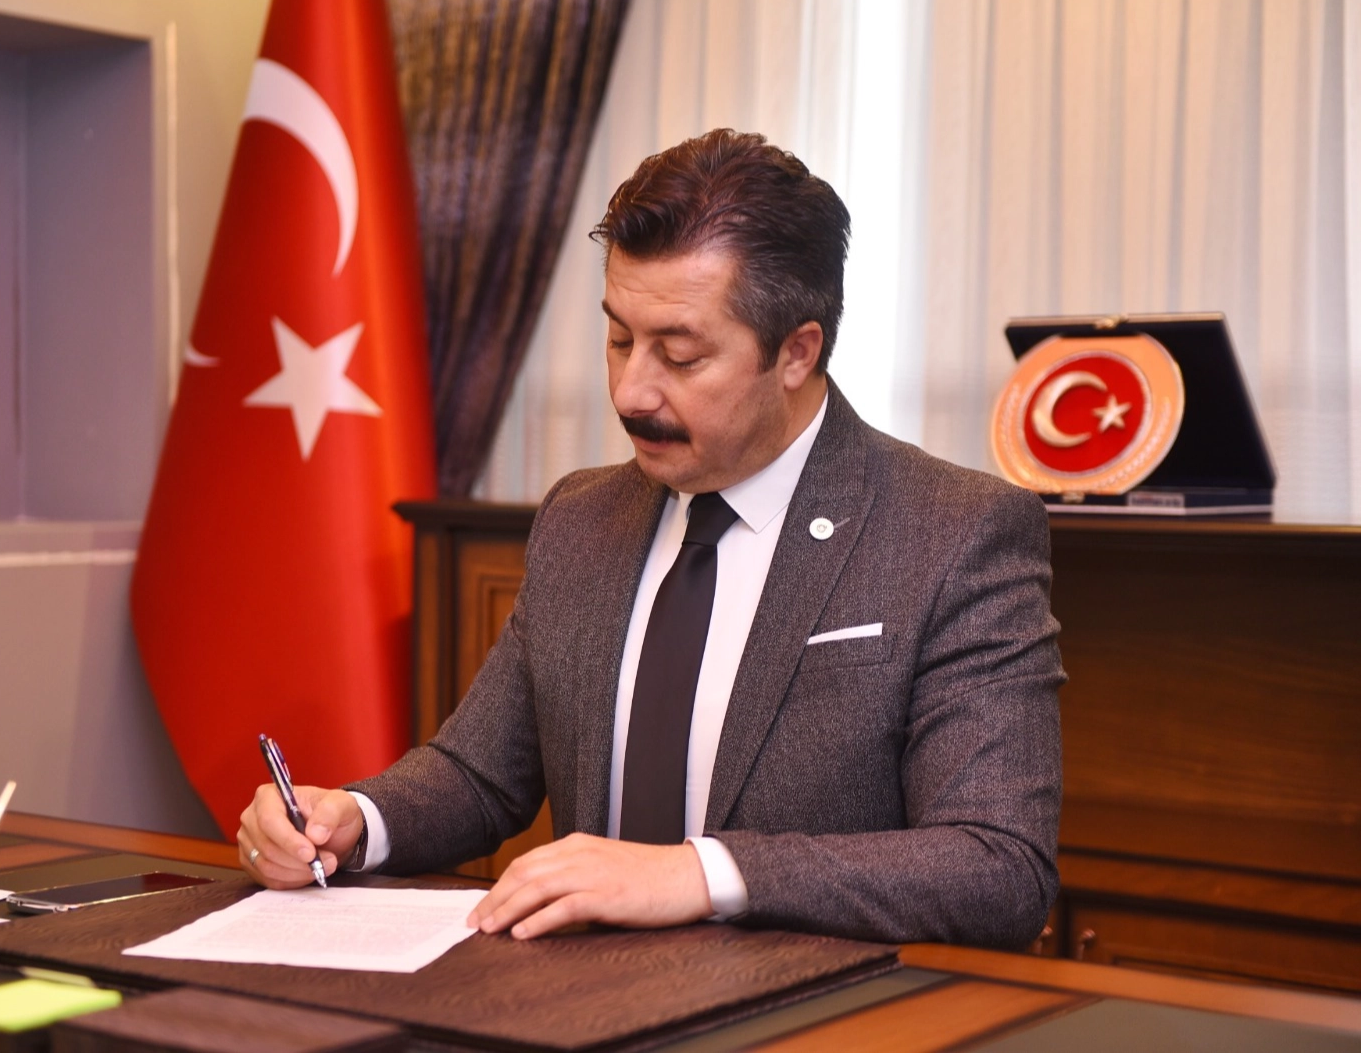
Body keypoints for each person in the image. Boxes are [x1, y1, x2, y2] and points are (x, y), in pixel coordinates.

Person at [237, 129, 1064, 949]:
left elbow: (998, 868)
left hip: (820, 1009)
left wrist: (701, 875)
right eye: (620, 339)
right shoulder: (581, 518)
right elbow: (481, 775)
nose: (632, 391)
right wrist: (355, 820)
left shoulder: (951, 532)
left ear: (796, 352)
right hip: (586, 998)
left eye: (680, 354)